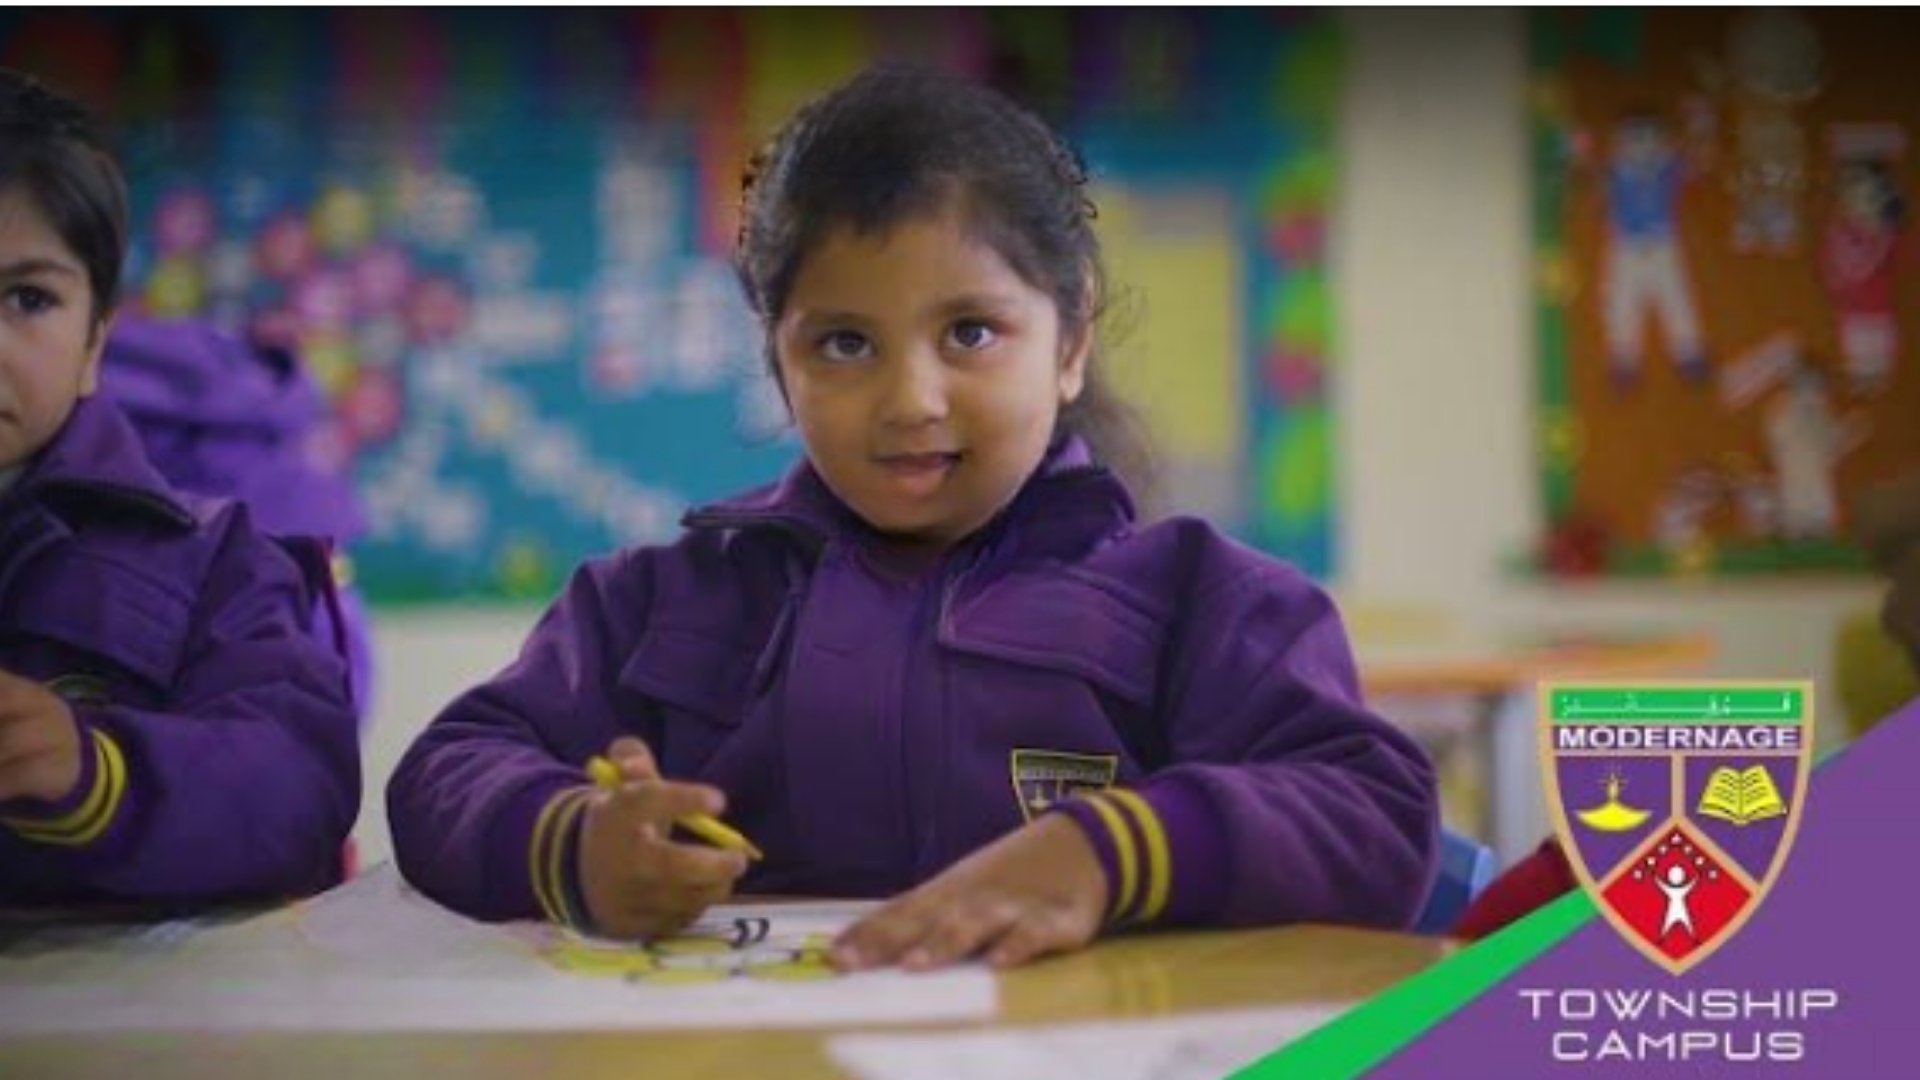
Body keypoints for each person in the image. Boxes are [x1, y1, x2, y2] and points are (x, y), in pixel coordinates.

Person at [387, 65, 1439, 970]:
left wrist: (1112, 851)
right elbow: (446, 771)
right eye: (843, 344)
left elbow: (1378, 815)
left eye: (971, 332)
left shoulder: (1198, 601)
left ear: (1070, 342)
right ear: (779, 362)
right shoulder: (667, 599)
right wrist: (573, 843)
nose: (910, 399)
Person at [0, 69, 360, 906]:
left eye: (27, 298)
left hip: (102, 1028)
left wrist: (99, 776)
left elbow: (298, 792)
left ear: (96, 341)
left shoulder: (208, 559)